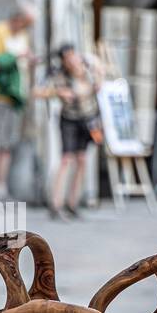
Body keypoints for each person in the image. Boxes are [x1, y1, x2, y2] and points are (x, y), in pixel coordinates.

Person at [37, 44, 102, 220]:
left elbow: (101, 80)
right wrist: (58, 92)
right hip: (69, 119)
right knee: (66, 158)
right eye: (68, 58)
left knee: (82, 159)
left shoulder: (89, 67)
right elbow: (38, 91)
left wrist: (96, 77)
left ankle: (73, 203)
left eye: (73, 56)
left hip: (88, 118)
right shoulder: (58, 74)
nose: (72, 61)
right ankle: (56, 203)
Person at [0, 6, 37, 200]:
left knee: (8, 143)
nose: (28, 28)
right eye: (27, 23)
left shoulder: (24, 36)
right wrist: (14, 57)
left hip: (16, 96)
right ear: (18, 19)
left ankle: (1, 188)